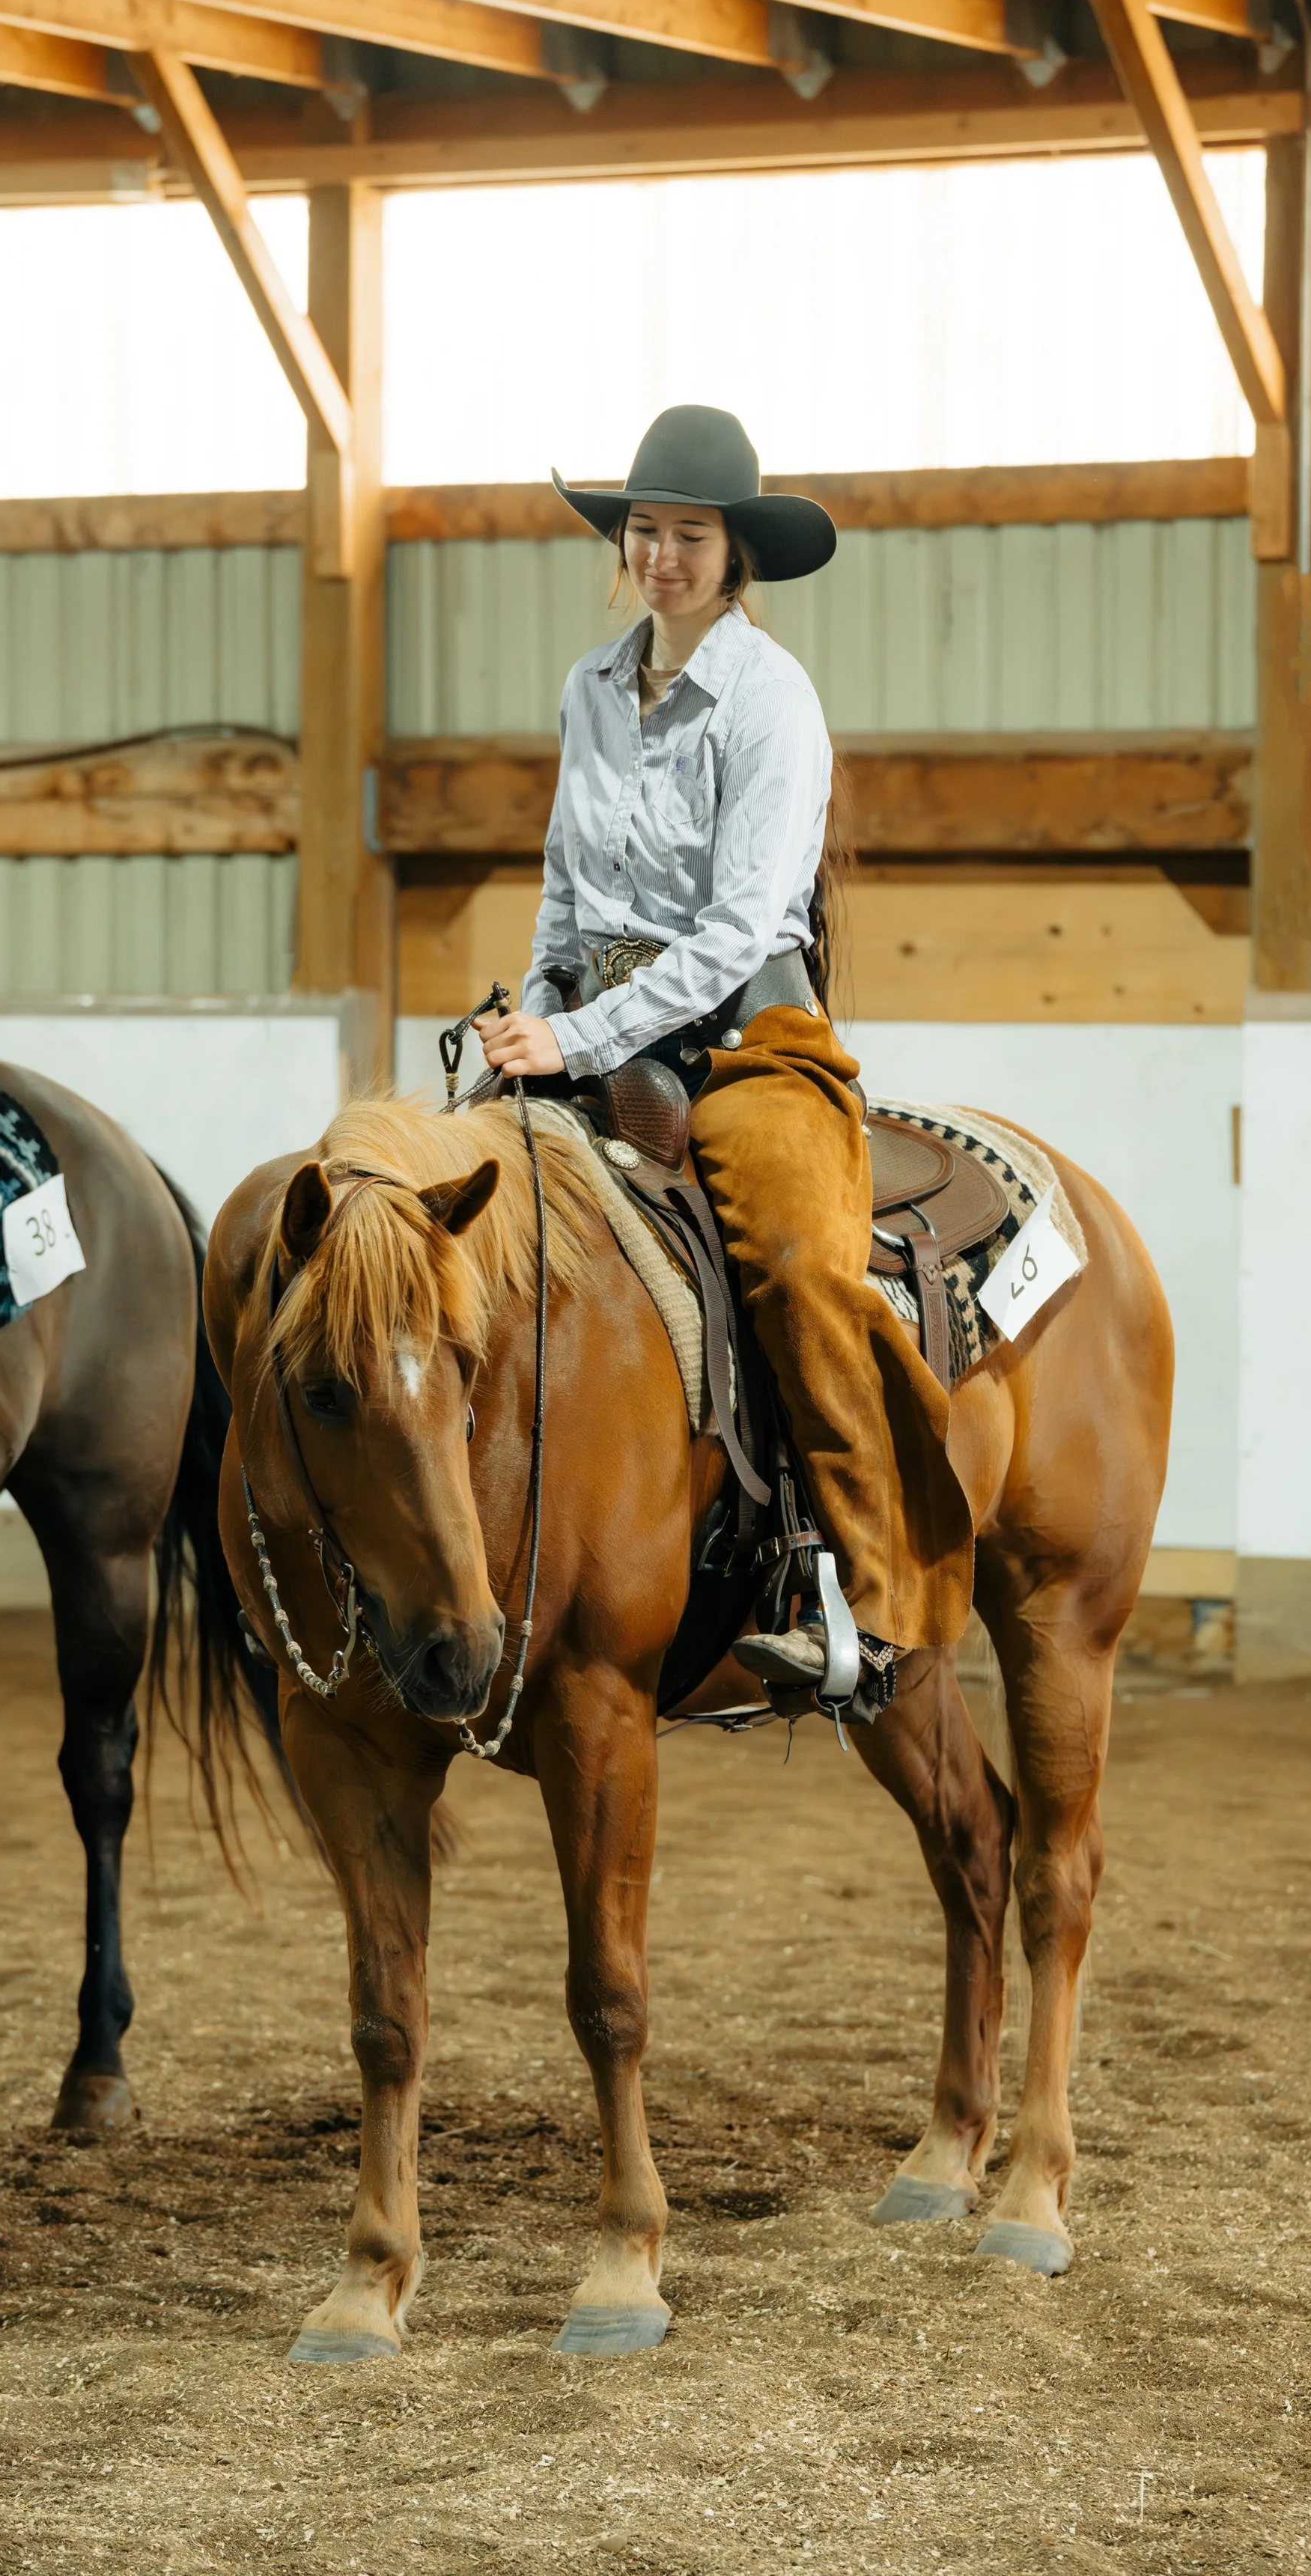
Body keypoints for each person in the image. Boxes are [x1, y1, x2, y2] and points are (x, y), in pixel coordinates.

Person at [473, 407, 973, 1699]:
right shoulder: (593, 688)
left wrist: (576, 1031)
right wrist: (531, 1021)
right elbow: (564, 895)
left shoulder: (771, 700)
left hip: (749, 1040)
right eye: (644, 531)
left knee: (803, 1264)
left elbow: (740, 925)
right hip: (589, 1030)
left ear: (733, 554)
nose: (662, 556)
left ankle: (865, 1591)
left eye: (688, 535)